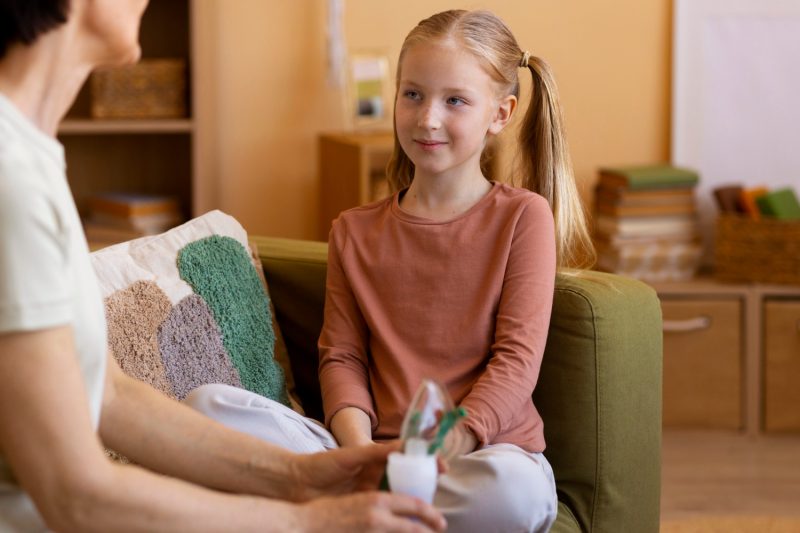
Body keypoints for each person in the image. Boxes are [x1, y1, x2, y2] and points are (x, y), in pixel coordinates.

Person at [0, 1, 448, 532]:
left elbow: (108, 394)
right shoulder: (13, 182)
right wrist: (314, 523)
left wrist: (302, 477)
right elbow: (76, 497)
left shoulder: (30, 158)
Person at [187, 8, 596, 533]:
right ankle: (366, 502)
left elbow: (516, 361)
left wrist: (443, 448)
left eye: (455, 101)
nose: (427, 118)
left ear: (500, 113)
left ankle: (355, 512)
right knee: (205, 407)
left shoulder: (523, 217)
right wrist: (358, 457)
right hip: (369, 454)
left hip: (480, 455)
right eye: (413, 94)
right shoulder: (353, 231)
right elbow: (342, 358)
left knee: (512, 494)